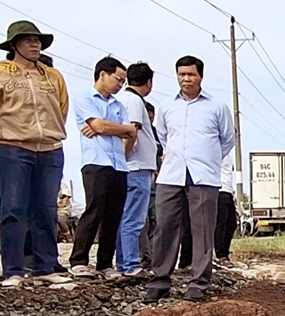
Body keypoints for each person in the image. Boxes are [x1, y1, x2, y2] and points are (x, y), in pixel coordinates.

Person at [0, 20, 68, 286]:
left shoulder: (53, 76)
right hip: (12, 148)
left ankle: (45, 266)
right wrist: (4, 135)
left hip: (50, 149)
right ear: (14, 44)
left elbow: (61, 108)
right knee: (13, 209)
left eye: (37, 40)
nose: (35, 44)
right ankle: (13, 270)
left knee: (46, 209)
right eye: (28, 40)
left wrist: (49, 133)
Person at [145, 54, 235, 303]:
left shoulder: (217, 107)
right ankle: (160, 280)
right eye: (182, 74)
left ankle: (198, 283)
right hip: (172, 174)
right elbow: (163, 137)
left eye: (191, 74)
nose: (186, 79)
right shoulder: (166, 107)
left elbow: (227, 139)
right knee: (164, 228)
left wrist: (208, 158)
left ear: (200, 77)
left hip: (204, 176)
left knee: (202, 231)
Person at [68, 56, 134, 277]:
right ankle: (78, 260)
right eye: (118, 79)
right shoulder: (84, 98)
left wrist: (110, 128)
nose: (120, 84)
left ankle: (105, 263)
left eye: (123, 81)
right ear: (103, 74)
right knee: (94, 211)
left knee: (113, 215)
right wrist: (115, 128)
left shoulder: (119, 105)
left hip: (119, 164)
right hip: (96, 162)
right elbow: (99, 125)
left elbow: (131, 132)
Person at [115, 62, 159, 276]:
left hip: (131, 167)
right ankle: (130, 264)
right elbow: (131, 133)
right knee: (133, 219)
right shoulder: (134, 101)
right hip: (136, 167)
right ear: (149, 82)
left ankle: (124, 263)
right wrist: (122, 159)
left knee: (126, 217)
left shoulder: (123, 99)